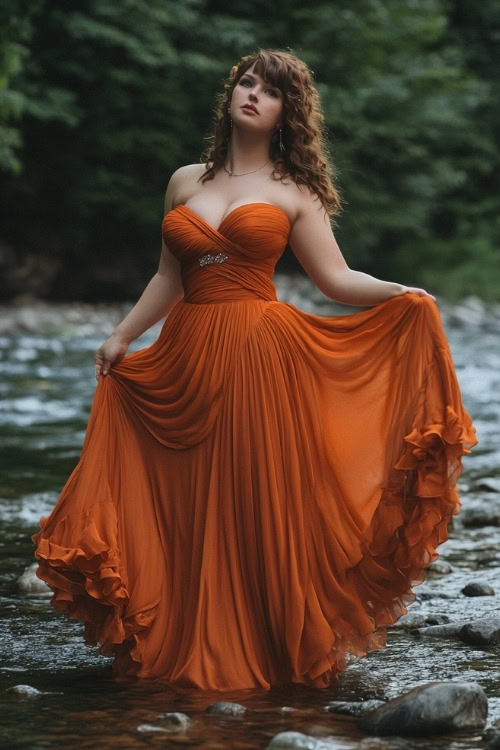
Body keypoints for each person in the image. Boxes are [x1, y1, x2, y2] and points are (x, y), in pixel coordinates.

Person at [31, 48, 477, 691]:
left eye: (270, 92)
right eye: (246, 83)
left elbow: (334, 278)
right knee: (186, 499)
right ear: (230, 95)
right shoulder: (186, 180)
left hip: (258, 357)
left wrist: (402, 293)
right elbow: (169, 277)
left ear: (285, 113)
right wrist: (122, 335)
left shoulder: (295, 190)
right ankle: (182, 639)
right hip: (186, 357)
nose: (253, 95)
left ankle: (266, 652)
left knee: (249, 496)